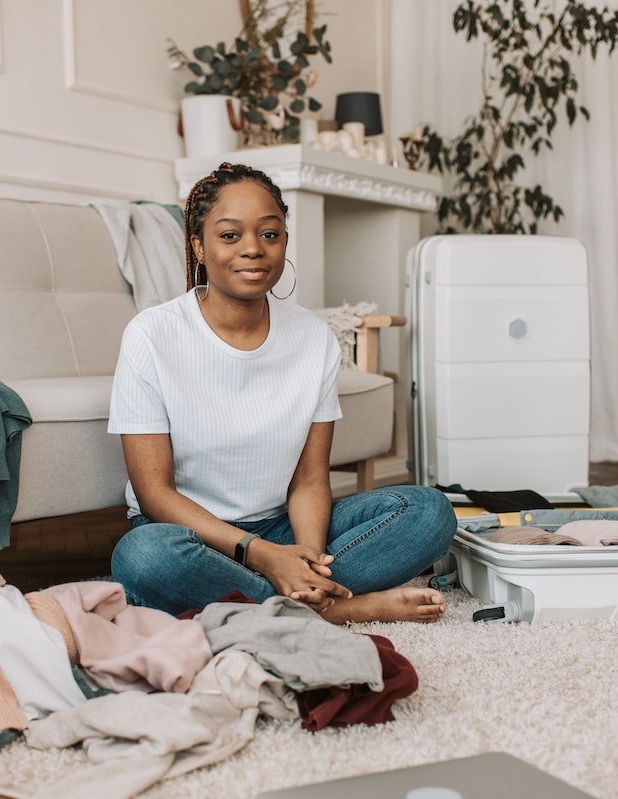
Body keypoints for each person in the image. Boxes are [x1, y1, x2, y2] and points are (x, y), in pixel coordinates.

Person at [107, 162, 456, 623]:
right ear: (199, 246)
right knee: (144, 557)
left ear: (285, 241)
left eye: (269, 234)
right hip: (187, 533)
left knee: (429, 511)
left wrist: (306, 558)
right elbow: (154, 494)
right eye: (230, 236)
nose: (253, 249)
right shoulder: (151, 335)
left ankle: (294, 601)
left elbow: (310, 480)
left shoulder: (314, 338)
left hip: (281, 524)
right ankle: (338, 610)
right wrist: (263, 556)